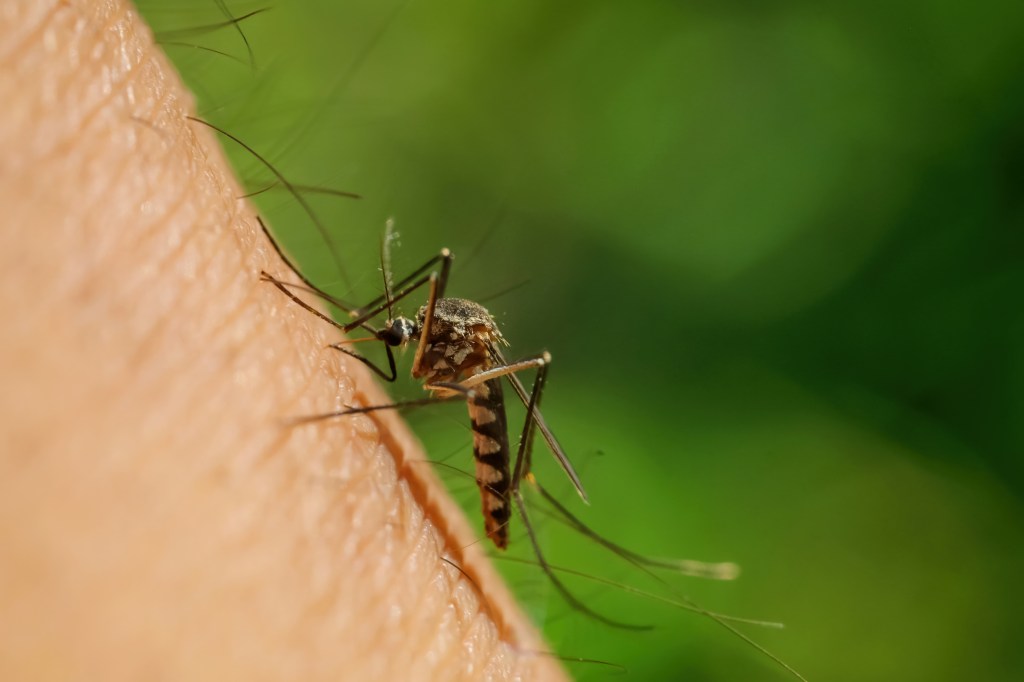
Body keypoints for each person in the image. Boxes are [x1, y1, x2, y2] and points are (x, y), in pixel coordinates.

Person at [0, 1, 566, 679]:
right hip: (460, 355)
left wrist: (370, 400)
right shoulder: (425, 329)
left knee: (499, 355)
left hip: (486, 398)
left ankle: (521, 484)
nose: (394, 337)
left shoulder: (446, 339)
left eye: (397, 329)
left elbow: (470, 354)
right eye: (399, 329)